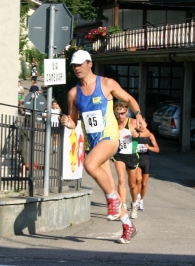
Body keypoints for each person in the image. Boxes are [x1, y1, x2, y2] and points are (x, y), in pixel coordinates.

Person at [60, 50, 147, 244]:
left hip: (109, 137)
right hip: (93, 144)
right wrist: (68, 122)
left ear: (90, 64)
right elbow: (74, 121)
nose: (77, 68)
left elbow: (130, 100)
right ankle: (127, 225)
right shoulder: (73, 93)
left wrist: (139, 115)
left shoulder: (106, 83)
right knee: (110, 186)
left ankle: (113, 201)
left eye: (81, 64)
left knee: (89, 166)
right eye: (74, 65)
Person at [112, 101, 140, 220]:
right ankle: (122, 208)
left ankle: (134, 205)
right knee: (121, 180)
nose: (121, 117)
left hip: (132, 155)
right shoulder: (113, 124)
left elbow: (143, 130)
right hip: (119, 155)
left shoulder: (132, 122)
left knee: (132, 185)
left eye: (123, 113)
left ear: (127, 112)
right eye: (118, 114)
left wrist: (136, 134)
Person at [135, 123, 160, 211]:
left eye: (142, 124)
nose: (141, 126)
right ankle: (137, 199)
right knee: (138, 180)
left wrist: (149, 147)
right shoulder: (134, 134)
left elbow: (157, 149)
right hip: (136, 158)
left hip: (146, 158)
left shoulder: (150, 135)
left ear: (146, 124)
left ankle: (141, 200)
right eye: (139, 124)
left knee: (144, 183)